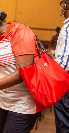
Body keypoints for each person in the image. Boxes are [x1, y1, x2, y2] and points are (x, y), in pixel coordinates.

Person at [54, 1, 69, 132]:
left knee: (64, 126)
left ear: (64, 5)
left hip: (66, 84)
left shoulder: (67, 28)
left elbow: (64, 63)